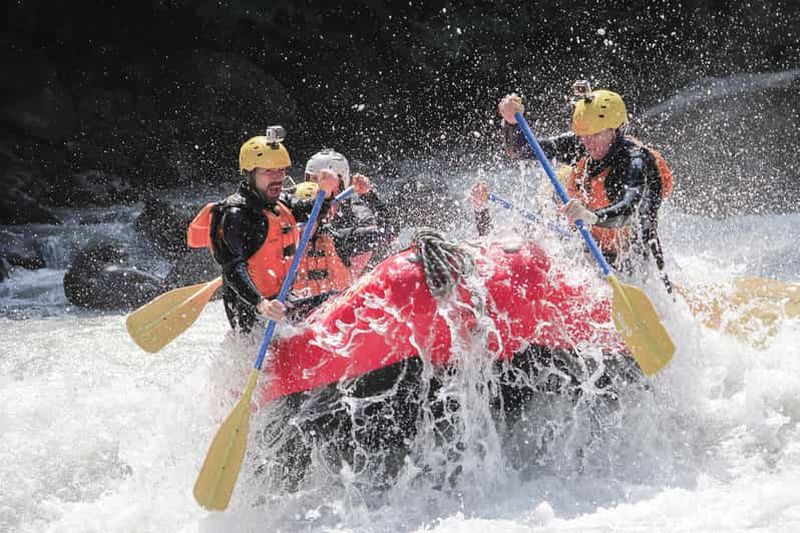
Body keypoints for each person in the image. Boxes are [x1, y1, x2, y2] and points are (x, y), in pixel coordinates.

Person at [471, 82, 674, 284]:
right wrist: (511, 122)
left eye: (596, 135)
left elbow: (629, 209)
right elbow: (523, 149)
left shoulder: (636, 161)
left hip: (634, 260)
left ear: (616, 130)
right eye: (584, 136)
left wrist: (591, 216)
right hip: (588, 246)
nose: (588, 143)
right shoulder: (582, 144)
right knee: (553, 195)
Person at [190, 126, 299, 333]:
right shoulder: (234, 215)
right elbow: (232, 269)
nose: (277, 177)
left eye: (281, 170)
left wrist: (328, 193)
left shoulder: (278, 204)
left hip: (281, 301)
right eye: (269, 171)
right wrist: (261, 304)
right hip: (250, 311)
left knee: (333, 298)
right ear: (250, 174)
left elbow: (315, 208)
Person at [284, 149, 398, 316]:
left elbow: (389, 231)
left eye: (326, 178)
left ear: (342, 183)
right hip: (297, 310)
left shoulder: (348, 229)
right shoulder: (286, 220)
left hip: (337, 301)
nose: (321, 184)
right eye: (314, 179)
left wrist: (369, 196)